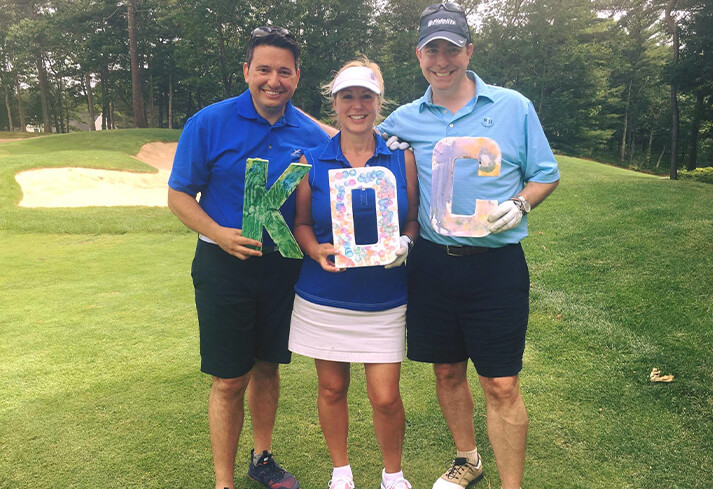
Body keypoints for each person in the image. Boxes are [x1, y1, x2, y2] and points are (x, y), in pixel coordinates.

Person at [378, 4, 560, 489]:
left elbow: (546, 174)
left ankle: (511, 484)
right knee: (446, 372)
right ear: (419, 55)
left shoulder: (512, 106)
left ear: (469, 52)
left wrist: (520, 205)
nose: (442, 60)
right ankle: (467, 459)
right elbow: (356, 152)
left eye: (451, 49)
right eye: (432, 49)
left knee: (501, 383)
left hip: (496, 266)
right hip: (433, 266)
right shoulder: (402, 119)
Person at [167, 26, 331, 489]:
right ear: (247, 71)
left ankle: (262, 458)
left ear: (297, 76)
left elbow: (352, 149)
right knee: (228, 379)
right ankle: (224, 481)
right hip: (224, 267)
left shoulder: (310, 132)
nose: (273, 80)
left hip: (282, 268)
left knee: (267, 366)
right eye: (264, 69)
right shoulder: (209, 122)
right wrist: (219, 234)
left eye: (284, 71)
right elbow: (179, 194)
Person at [288, 58, 420, 489]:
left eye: (366, 95)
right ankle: (341, 472)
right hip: (325, 294)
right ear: (335, 103)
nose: (357, 105)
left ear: (379, 102)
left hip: (383, 295)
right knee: (330, 389)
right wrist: (314, 248)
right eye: (348, 96)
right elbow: (303, 224)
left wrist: (406, 244)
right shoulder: (312, 160)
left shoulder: (402, 157)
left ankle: (392, 474)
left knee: (385, 397)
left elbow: (412, 219)